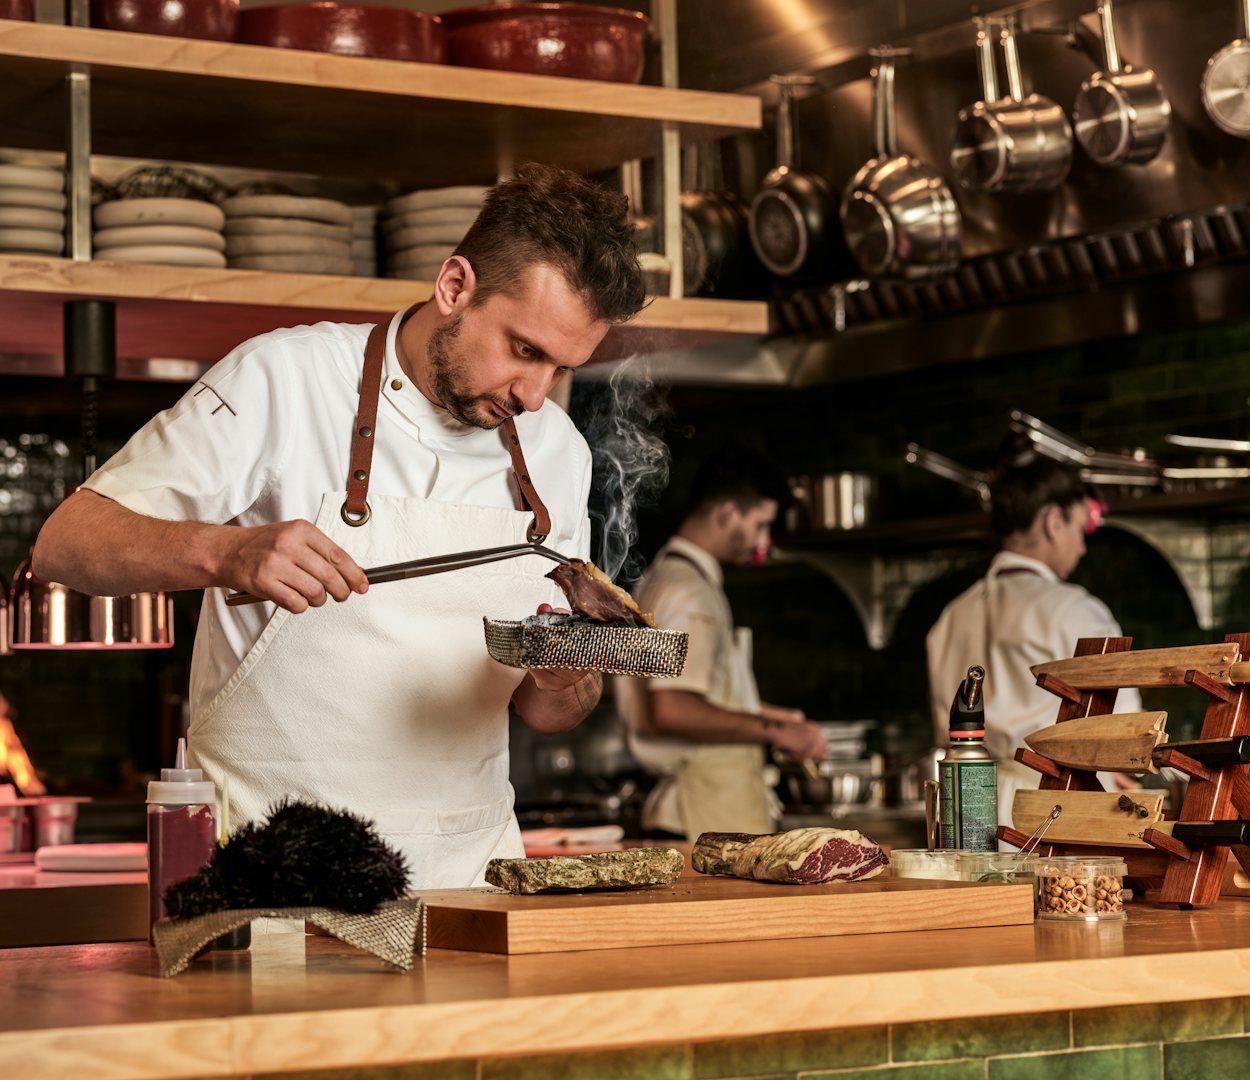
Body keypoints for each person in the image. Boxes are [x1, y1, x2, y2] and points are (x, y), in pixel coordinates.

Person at [31, 163, 647, 890]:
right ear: (455, 288)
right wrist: (224, 551)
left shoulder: (557, 452)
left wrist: (567, 676)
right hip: (270, 874)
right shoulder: (283, 380)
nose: (537, 395)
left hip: (469, 882)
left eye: (561, 367)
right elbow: (64, 543)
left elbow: (550, 712)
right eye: (525, 350)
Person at [925, 438, 1142, 830]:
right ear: (1052, 521)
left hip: (967, 813)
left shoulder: (951, 616)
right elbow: (1128, 736)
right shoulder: (1075, 611)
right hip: (1054, 814)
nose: (1082, 547)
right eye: (1081, 526)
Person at [615, 451, 828, 841]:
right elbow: (672, 708)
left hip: (704, 819)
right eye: (761, 524)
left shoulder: (665, 578)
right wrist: (776, 730)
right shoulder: (688, 592)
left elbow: (697, 693)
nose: (764, 543)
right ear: (728, 512)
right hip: (703, 824)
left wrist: (766, 713)